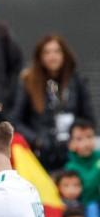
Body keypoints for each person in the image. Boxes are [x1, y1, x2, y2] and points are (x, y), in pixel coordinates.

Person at [12, 35, 94, 171]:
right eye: (47, 52)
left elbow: (89, 118)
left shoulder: (77, 81)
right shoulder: (28, 82)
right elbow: (15, 121)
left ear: (64, 54)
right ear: (40, 57)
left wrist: (78, 136)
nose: (52, 56)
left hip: (72, 152)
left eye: (57, 51)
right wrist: (37, 140)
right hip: (41, 153)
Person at [66, 120, 100, 206]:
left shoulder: (98, 156)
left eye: (89, 137)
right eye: (79, 139)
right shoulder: (71, 166)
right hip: (85, 209)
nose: (86, 143)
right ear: (71, 143)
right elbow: (87, 188)